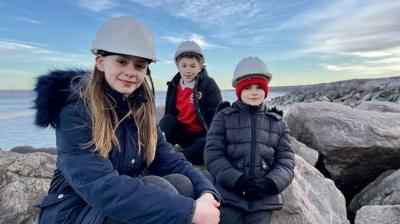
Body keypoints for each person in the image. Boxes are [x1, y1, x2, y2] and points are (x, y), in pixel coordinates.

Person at [34, 16, 220, 224]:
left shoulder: (139, 109)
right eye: (121, 61)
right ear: (100, 62)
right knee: (159, 188)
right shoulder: (75, 109)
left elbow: (168, 158)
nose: (130, 72)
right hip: (75, 210)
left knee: (184, 184)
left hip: (111, 203)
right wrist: (190, 211)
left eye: (139, 66)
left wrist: (206, 191)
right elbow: (102, 187)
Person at [204, 57, 295, 224]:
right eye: (248, 87)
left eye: (259, 87)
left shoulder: (277, 122)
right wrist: (238, 181)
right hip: (228, 194)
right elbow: (213, 155)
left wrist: (270, 183)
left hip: (263, 199)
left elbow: (286, 162)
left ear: (266, 90)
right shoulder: (223, 118)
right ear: (239, 90)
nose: (254, 92)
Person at [159, 41, 222, 165]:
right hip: (183, 133)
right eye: (184, 66)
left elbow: (216, 114)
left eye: (193, 66)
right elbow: (170, 113)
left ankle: (177, 158)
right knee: (167, 120)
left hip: (201, 135)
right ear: (178, 66)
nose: (188, 70)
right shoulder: (174, 85)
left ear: (200, 67)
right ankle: (158, 151)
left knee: (204, 145)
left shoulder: (208, 84)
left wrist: (214, 138)